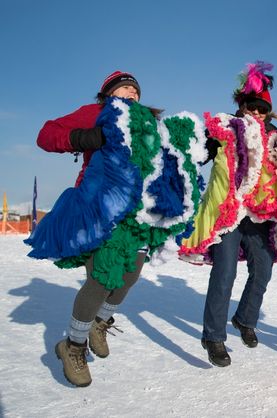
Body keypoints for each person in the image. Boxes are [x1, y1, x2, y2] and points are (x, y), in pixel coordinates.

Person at [32, 71, 150, 387]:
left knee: (130, 275)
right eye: (126, 88)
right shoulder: (96, 113)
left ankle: (99, 322)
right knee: (101, 279)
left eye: (136, 91)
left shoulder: (146, 124)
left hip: (136, 214)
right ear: (108, 93)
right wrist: (82, 138)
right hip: (99, 208)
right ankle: (72, 346)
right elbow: (46, 134)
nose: (132, 94)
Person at [179, 61, 277, 367]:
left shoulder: (276, 137)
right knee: (225, 271)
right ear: (241, 105)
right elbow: (197, 153)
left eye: (261, 109)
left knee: (264, 269)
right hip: (229, 211)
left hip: (259, 215)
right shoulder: (225, 127)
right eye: (251, 106)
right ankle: (214, 337)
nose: (256, 113)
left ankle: (244, 318)